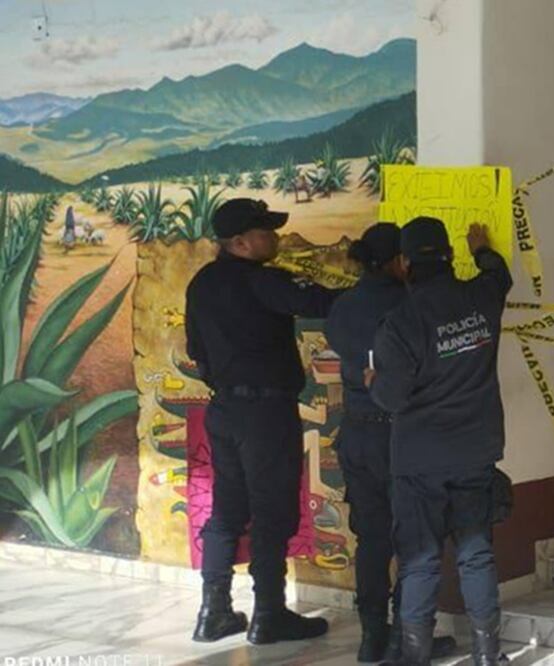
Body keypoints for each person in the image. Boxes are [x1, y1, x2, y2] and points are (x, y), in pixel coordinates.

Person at [185, 198, 345, 645]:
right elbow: (321, 301)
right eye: (266, 232)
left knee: (227, 512)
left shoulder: (201, 284)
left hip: (224, 411)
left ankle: (213, 612)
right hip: (265, 415)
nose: (275, 238)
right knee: (272, 511)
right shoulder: (263, 281)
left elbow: (197, 350)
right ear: (239, 242)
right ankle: (269, 614)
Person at [368, 217, 512, 666]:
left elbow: (391, 398)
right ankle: (488, 656)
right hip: (475, 450)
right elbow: (499, 275)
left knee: (420, 561)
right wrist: (481, 248)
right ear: (449, 256)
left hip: (420, 461)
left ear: (405, 262)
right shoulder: (481, 298)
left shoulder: (401, 322)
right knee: (476, 554)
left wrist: (372, 380)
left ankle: (415, 656)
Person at [324, 223, 456, 662]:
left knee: (372, 538)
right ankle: (406, 636)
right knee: (413, 540)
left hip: (356, 432)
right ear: (401, 260)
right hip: (401, 434)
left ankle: (370, 638)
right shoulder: (410, 304)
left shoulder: (342, 307)